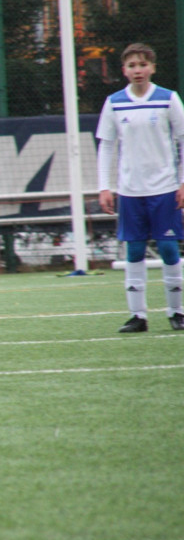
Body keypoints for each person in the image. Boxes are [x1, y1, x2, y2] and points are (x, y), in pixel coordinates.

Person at [97, 43, 184, 333]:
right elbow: (106, 145)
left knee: (169, 249)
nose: (138, 70)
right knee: (133, 250)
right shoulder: (114, 103)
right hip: (130, 191)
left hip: (164, 189)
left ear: (153, 67)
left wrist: (183, 182)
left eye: (143, 65)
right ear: (124, 70)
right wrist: (104, 187)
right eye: (132, 66)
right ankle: (138, 316)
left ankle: (177, 312)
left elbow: (183, 142)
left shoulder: (168, 99)